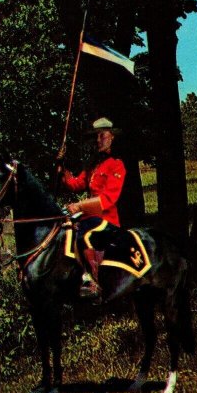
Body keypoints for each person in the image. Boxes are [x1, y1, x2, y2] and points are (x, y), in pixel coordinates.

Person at [60, 117, 126, 298]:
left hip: (107, 220)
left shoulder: (117, 164)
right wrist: (62, 169)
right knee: (66, 231)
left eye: (102, 136)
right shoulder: (93, 166)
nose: (98, 140)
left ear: (112, 137)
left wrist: (79, 205)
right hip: (89, 217)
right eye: (96, 137)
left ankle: (94, 282)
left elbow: (107, 199)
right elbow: (76, 184)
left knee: (85, 233)